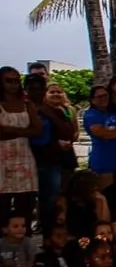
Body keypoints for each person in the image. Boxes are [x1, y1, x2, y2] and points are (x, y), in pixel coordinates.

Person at [24, 74, 70, 217]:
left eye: (39, 88)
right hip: (25, 161)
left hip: (50, 161)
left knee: (51, 199)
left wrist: (50, 113)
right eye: (32, 88)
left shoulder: (54, 110)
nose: (36, 92)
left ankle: (48, 233)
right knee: (26, 200)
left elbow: (67, 132)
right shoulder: (19, 109)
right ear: (26, 89)